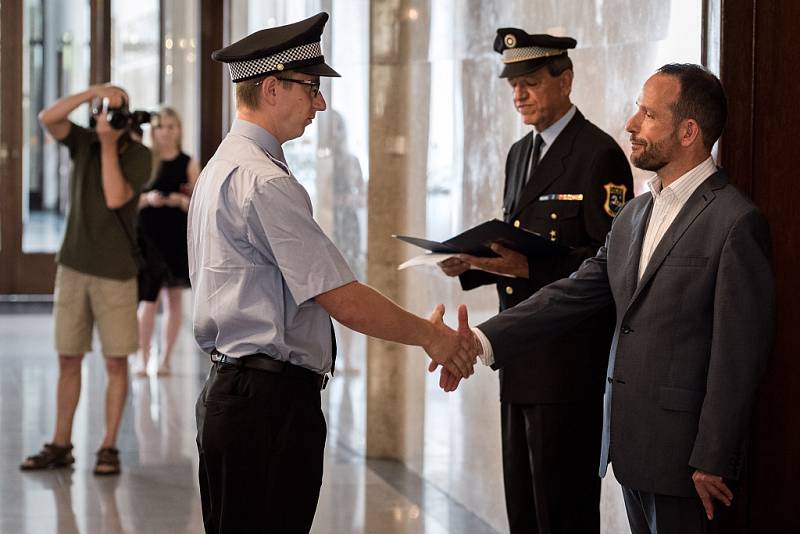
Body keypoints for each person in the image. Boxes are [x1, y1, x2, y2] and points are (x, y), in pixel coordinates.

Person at [438, 64, 775, 534]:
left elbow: (738, 356)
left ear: (688, 132)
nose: (631, 124)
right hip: (630, 449)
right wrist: (478, 339)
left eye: (648, 114)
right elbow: (570, 293)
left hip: (690, 464)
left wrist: (713, 457)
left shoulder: (735, 222)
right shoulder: (635, 214)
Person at [189, 13, 474, 533]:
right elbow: (340, 297)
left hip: (239, 394)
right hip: (266, 405)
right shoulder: (263, 181)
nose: (319, 102)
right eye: (311, 87)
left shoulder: (223, 166)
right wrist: (431, 337)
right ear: (272, 88)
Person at [437, 29, 633, 534]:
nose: (518, 95)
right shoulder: (520, 153)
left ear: (564, 81)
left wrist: (533, 269)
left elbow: (611, 264)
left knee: (562, 512)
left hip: (567, 367)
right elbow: (523, 245)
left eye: (529, 83)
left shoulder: (598, 154)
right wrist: (475, 261)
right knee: (524, 511)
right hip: (519, 355)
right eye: (512, 86)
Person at [19, 85, 152, 475]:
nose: (111, 118)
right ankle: (61, 444)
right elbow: (48, 118)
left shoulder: (141, 156)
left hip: (116, 274)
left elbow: (114, 196)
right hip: (74, 265)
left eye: (118, 111)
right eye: (106, 111)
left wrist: (110, 142)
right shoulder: (84, 141)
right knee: (68, 357)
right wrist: (94, 92)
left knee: (115, 362)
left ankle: (108, 446)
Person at [134, 107, 201, 377]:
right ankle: (143, 355)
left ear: (179, 130)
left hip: (175, 236)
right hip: (148, 237)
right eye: (161, 126)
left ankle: (166, 357)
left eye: (172, 126)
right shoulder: (144, 161)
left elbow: (198, 203)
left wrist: (178, 201)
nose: (166, 131)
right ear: (154, 130)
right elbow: (127, 201)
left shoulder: (188, 162)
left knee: (173, 300)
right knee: (147, 301)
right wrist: (149, 199)